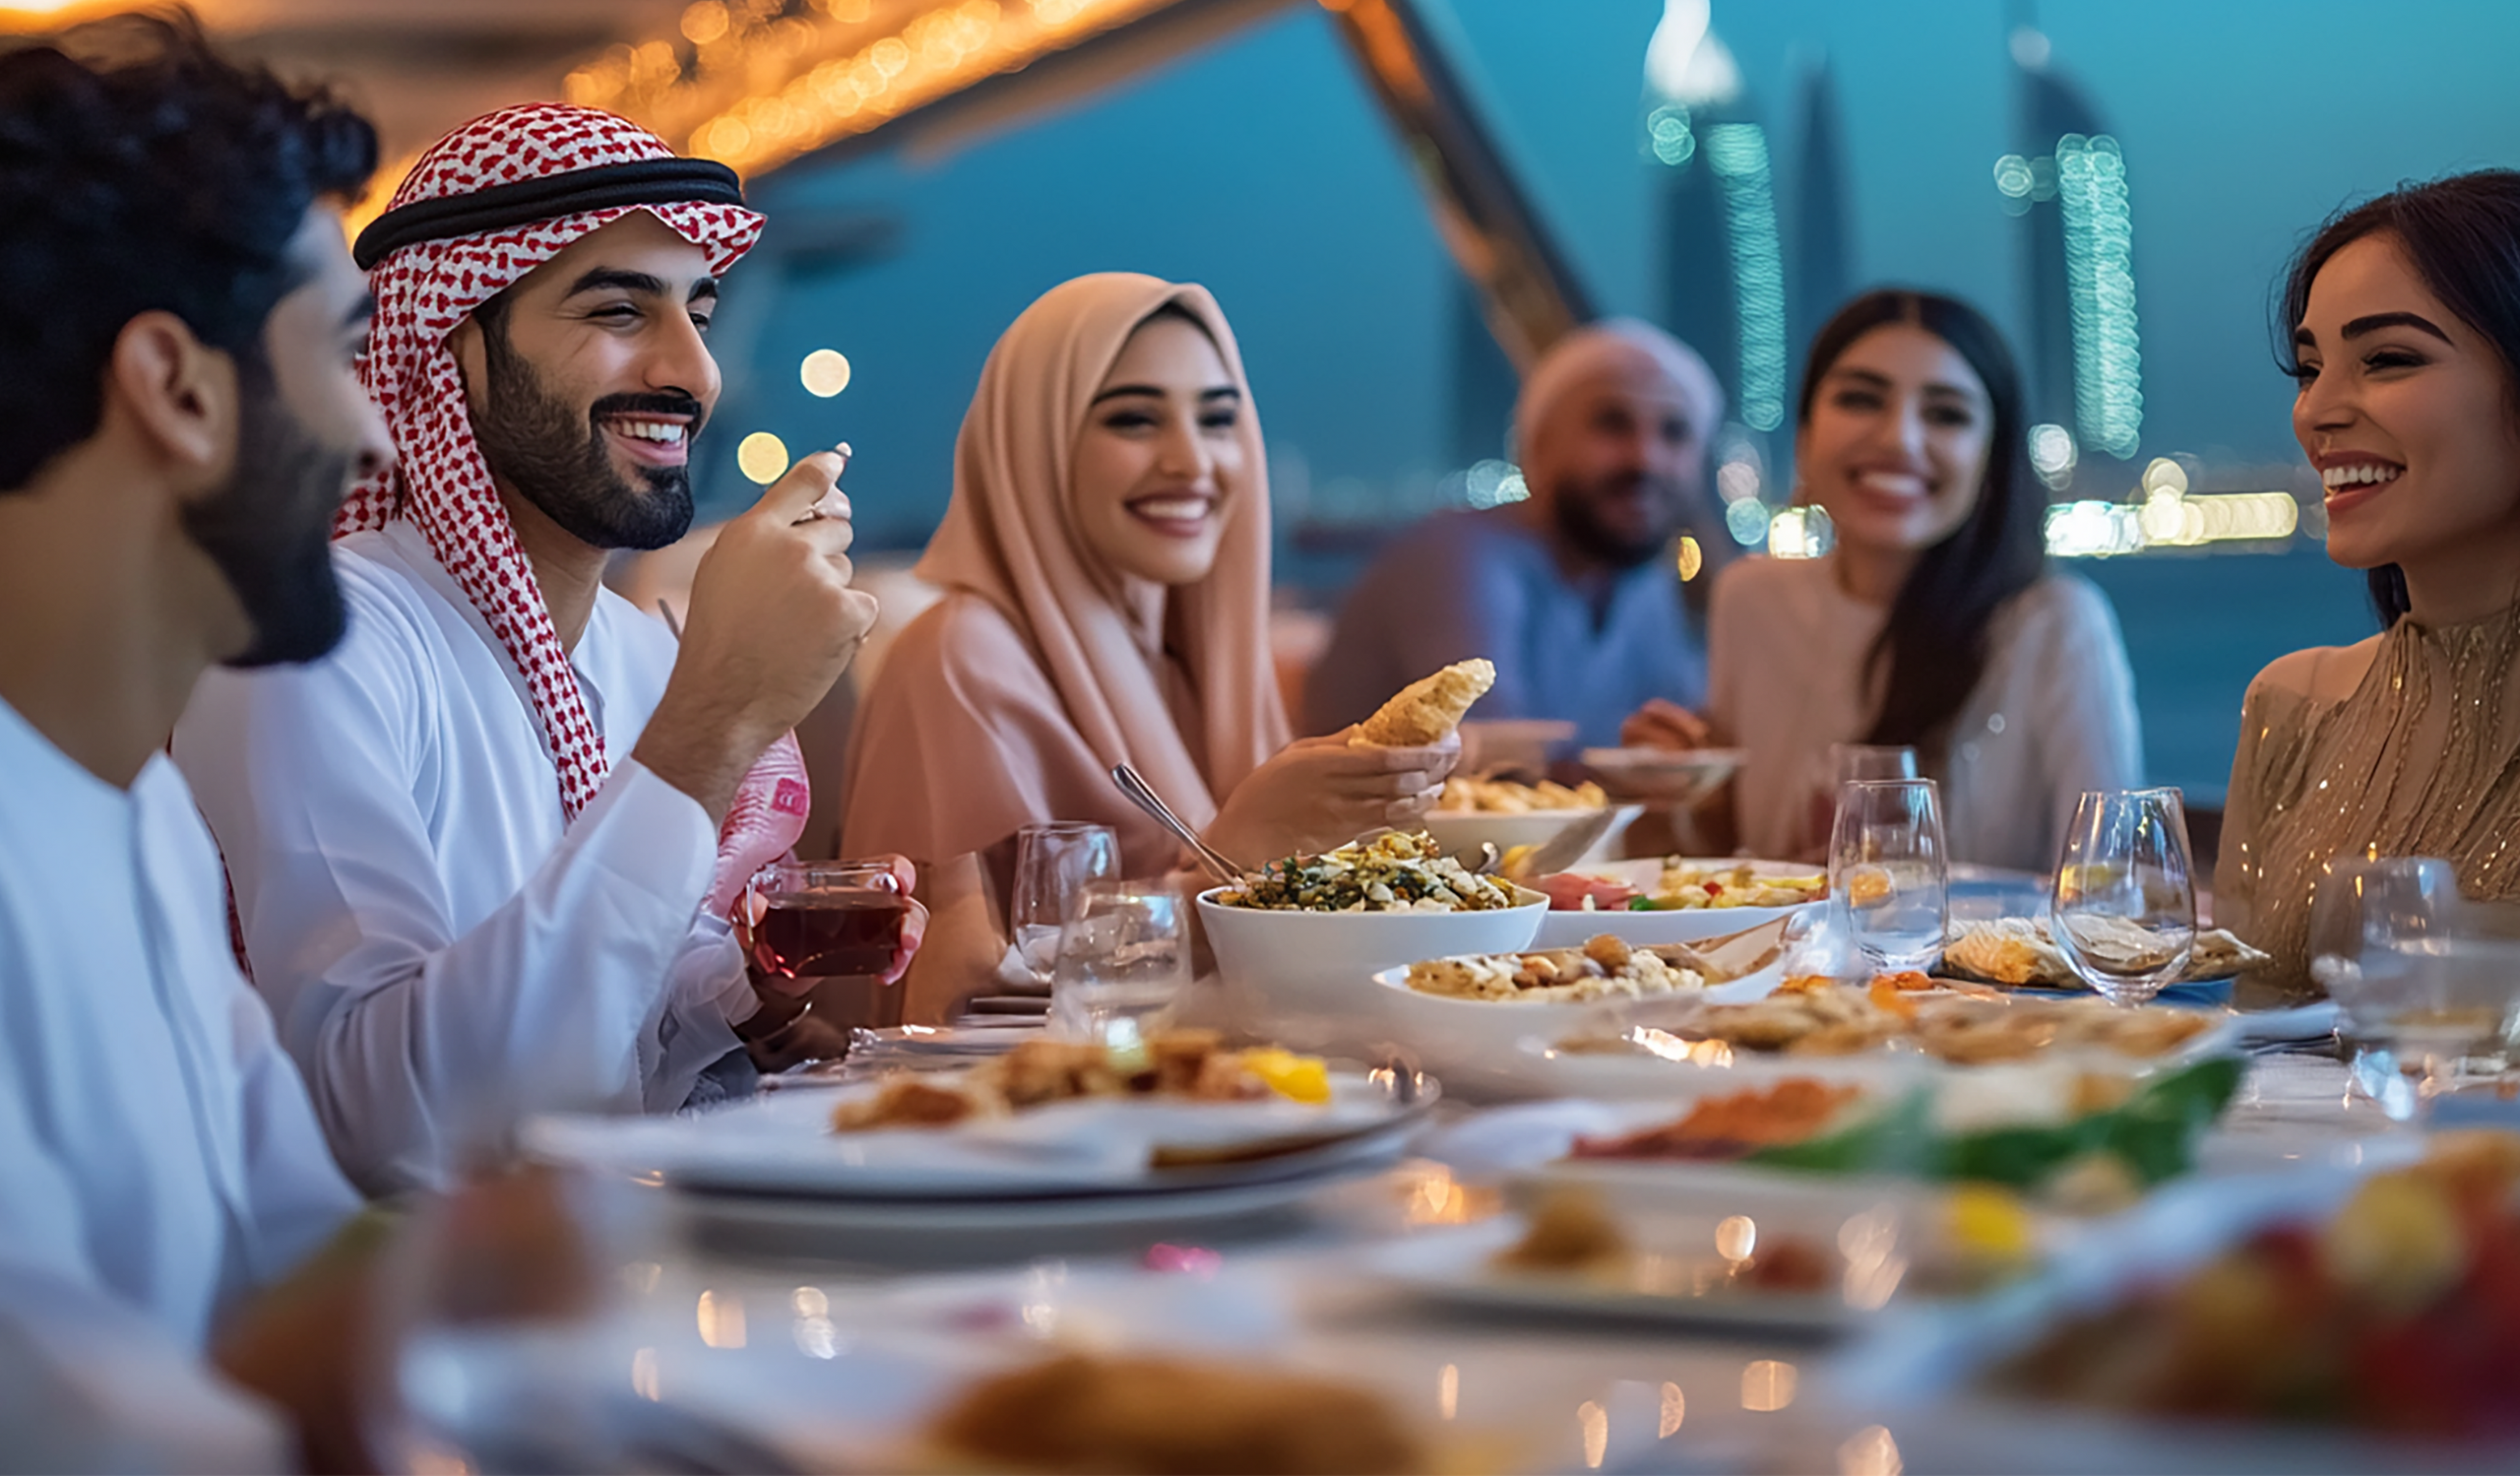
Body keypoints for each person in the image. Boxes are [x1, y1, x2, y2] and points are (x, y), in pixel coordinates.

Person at [175, 101, 896, 1195]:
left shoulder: (634, 652)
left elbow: (607, 1051)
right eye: (618, 310)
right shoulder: (315, 646)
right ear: (451, 343)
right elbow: (401, 1125)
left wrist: (738, 995)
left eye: (699, 314)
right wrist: (716, 714)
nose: (692, 371)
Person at [0, 10, 389, 1469]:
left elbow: (300, 1253)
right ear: (176, 386)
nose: (379, 439)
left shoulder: (144, 805)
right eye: (340, 356)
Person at [841, 274, 1457, 1021]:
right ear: (1035, 445)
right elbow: (948, 1014)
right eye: (1134, 420)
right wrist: (1248, 856)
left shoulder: (1183, 665)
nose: (1191, 462)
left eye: (1218, 420)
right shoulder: (960, 664)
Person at [1626, 289, 2141, 869]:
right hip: (1774, 960)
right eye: (1860, 399)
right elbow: (1730, 861)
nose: (1899, 438)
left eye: (1946, 414)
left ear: (1991, 463)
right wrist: (1681, 788)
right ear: (1804, 440)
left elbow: (2108, 878)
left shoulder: (2054, 624)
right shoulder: (1749, 599)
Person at [2220, 171, 2520, 994]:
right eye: (2309, 369)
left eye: (2387, 359)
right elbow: (2237, 1035)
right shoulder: (2293, 709)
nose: (2316, 411)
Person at [1303, 319, 1720, 747]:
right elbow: (1498, 760)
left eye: (1675, 432)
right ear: (1536, 446)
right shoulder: (1457, 558)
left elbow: (1687, 736)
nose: (1646, 459)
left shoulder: (1642, 582)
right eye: (1612, 424)